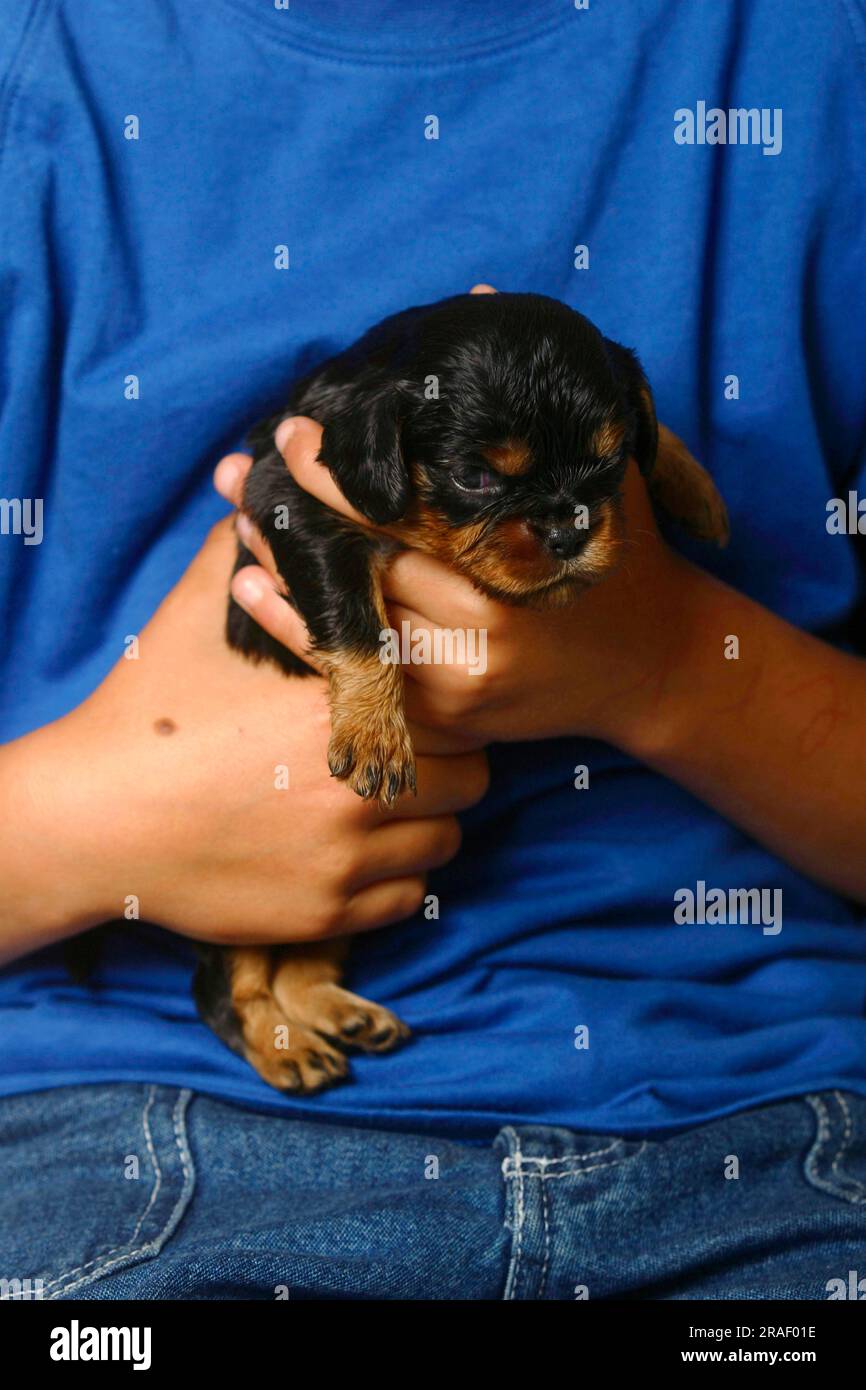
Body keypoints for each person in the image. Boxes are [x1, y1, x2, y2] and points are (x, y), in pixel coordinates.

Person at [1, 0, 865, 1301]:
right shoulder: (41, 76)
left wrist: (669, 663)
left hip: (765, 1119)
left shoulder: (816, 61)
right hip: (126, 1126)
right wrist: (89, 824)